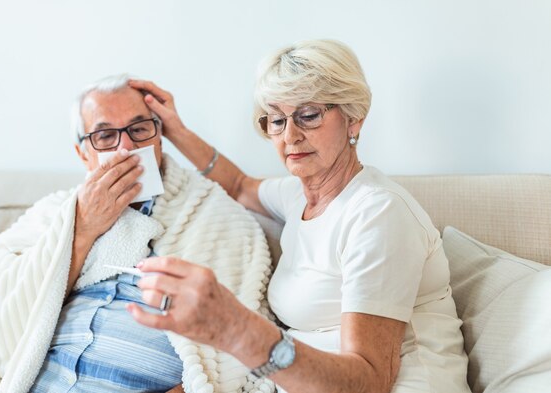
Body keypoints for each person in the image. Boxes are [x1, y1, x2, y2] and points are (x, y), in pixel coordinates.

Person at [127, 39, 472, 393]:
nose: (290, 135)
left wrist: (238, 330)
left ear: (354, 119)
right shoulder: (297, 196)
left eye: (308, 115)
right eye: (277, 119)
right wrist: (176, 131)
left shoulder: (377, 213)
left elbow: (370, 380)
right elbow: (237, 184)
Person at [0, 75, 275, 393]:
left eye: (139, 129)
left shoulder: (211, 214)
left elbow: (238, 346)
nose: (126, 149)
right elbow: (0, 312)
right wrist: (83, 228)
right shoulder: (52, 214)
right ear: (84, 154)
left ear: (159, 138)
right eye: (105, 135)